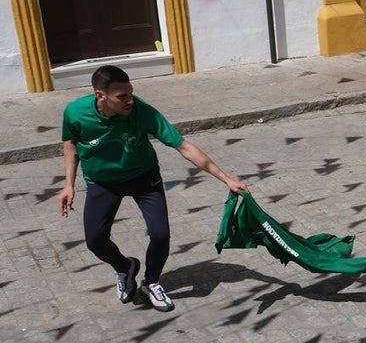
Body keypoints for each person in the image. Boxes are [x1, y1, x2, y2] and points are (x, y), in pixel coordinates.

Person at [58, 65, 248, 313]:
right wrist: (68, 185)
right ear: (100, 95)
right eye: (122, 96)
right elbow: (70, 143)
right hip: (102, 182)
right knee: (95, 241)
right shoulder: (75, 112)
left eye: (131, 93)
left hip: (143, 178)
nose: (130, 101)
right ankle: (125, 267)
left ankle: (151, 283)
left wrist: (226, 179)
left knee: (160, 234)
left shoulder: (142, 111)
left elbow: (183, 146)